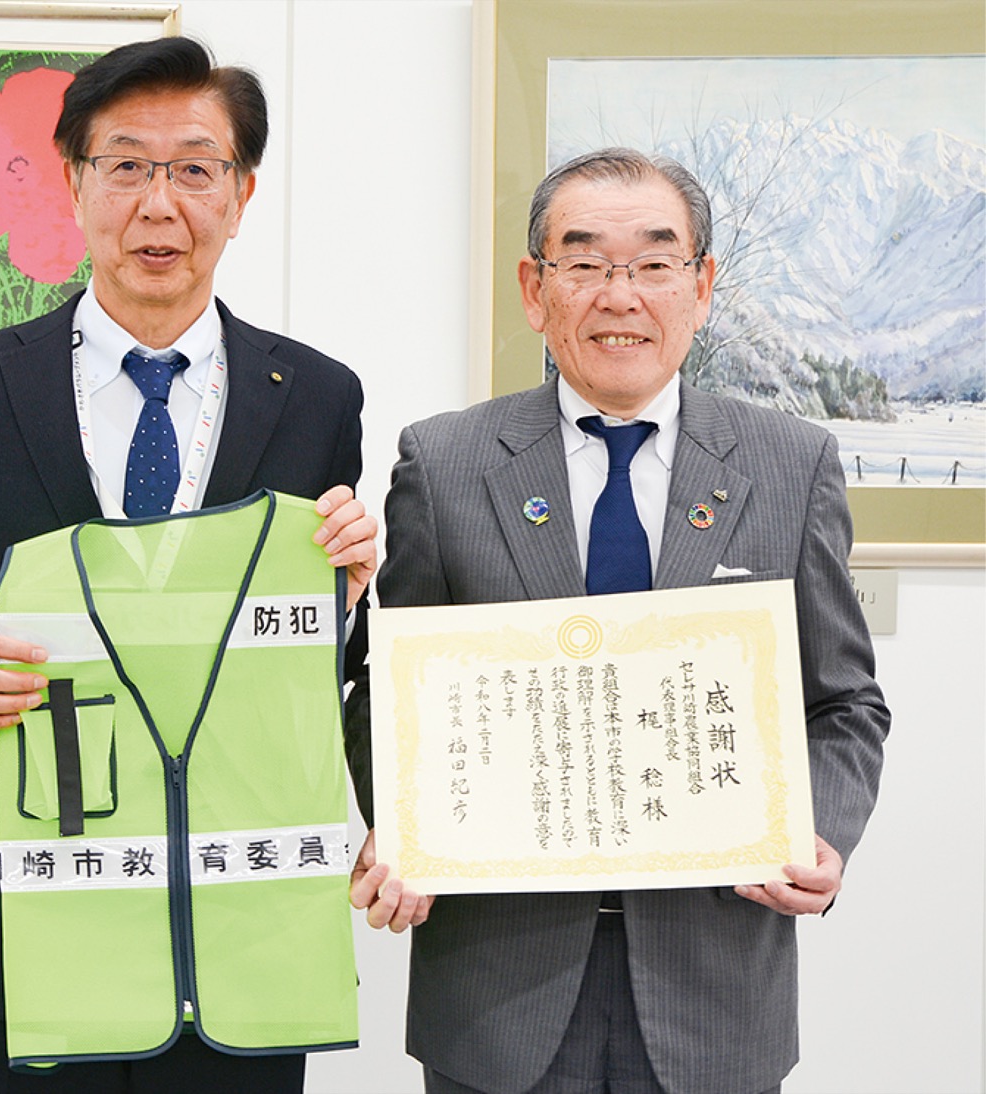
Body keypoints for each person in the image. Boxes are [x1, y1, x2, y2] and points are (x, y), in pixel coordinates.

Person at [0, 36, 375, 1093]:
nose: (159, 204)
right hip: (34, 889)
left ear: (240, 195)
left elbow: (321, 653)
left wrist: (346, 593)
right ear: (74, 182)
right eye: (127, 166)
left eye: (194, 168)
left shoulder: (318, 396)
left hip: (238, 919)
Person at [347, 148, 889, 1094]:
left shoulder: (790, 464)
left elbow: (845, 703)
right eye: (586, 262)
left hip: (714, 983)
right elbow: (388, 692)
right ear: (536, 289)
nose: (619, 295)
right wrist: (401, 823)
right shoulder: (444, 463)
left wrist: (825, 834)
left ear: (701, 287)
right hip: (499, 988)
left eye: (654, 263)